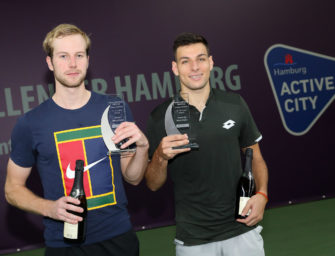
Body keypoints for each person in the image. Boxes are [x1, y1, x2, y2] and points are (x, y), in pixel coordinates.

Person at [5, 24, 149, 256]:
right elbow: (12, 189)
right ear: (50, 63)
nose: (72, 64)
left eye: (79, 55)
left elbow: (132, 178)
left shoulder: (115, 109)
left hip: (119, 239)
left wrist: (142, 148)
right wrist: (49, 208)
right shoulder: (30, 123)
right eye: (63, 56)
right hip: (65, 245)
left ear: (87, 60)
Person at [145, 32, 269, 256]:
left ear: (211, 62)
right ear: (175, 68)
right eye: (185, 61)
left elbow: (256, 158)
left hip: (241, 228)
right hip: (193, 238)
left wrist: (262, 194)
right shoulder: (160, 117)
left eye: (200, 59)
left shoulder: (234, 104)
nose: (194, 67)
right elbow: (153, 184)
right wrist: (160, 157)